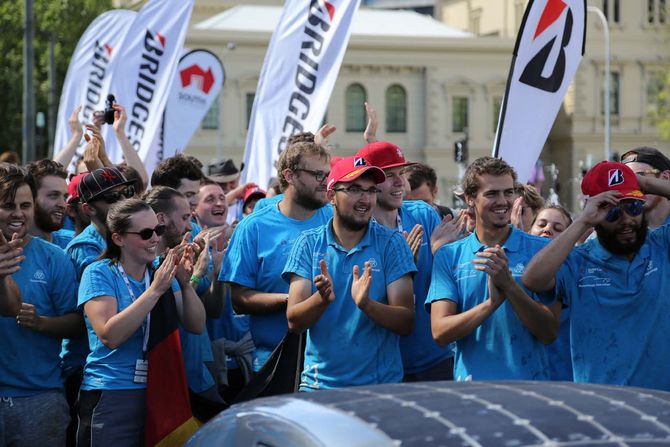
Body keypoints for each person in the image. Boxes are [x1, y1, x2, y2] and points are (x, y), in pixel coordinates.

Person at [522, 160, 670, 390]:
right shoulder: (578, 261)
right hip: (603, 406)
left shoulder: (661, 245)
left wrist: (643, 183)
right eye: (612, 213)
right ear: (595, 215)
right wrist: (582, 222)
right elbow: (533, 279)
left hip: (660, 405)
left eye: (633, 207)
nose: (627, 220)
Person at [77, 199, 205, 445]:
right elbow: (109, 335)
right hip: (111, 391)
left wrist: (186, 284)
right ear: (118, 239)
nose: (155, 239)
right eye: (146, 234)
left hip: (158, 388)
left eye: (158, 230)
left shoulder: (158, 272)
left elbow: (197, 325)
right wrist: (155, 290)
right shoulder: (99, 272)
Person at [283, 156, 415, 390]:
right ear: (331, 195)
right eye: (354, 189)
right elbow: (294, 322)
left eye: (371, 190)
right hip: (319, 387)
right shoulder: (308, 243)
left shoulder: (392, 243)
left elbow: (406, 323)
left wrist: (366, 304)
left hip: (379, 389)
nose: (365, 199)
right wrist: (320, 299)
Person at [427, 156, 560, 381]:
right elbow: (440, 332)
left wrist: (509, 286)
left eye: (508, 192)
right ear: (470, 198)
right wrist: (491, 304)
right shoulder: (449, 255)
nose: (503, 201)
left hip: (530, 389)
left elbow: (548, 332)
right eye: (491, 194)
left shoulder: (543, 251)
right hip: (473, 394)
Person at [220, 137, 333, 371]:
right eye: (317, 175)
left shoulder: (337, 220)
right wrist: (296, 302)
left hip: (330, 360)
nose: (325, 182)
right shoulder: (252, 227)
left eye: (327, 174)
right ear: (290, 175)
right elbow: (239, 300)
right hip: (275, 360)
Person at [354, 141, 462, 381]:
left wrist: (439, 254)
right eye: (389, 175)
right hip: (380, 366)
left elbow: (448, 283)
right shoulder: (357, 228)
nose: (400, 182)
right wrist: (402, 267)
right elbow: (359, 300)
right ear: (369, 182)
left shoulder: (423, 214)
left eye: (401, 173)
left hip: (434, 357)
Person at [0, 163, 79, 446]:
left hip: (38, 397)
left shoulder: (54, 258)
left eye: (26, 205)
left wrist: (41, 323)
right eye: (8, 205)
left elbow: (77, 323)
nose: (19, 214)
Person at [529, 204, 574, 381]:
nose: (547, 230)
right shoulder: (508, 267)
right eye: (541, 224)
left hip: (562, 376)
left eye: (558, 228)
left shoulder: (574, 271)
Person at [25, 159, 74, 249]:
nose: (63, 204)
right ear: (30, 197)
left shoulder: (74, 244)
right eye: (54, 195)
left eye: (65, 197)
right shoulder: (9, 250)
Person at [620, 146, 670, 228]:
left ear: (666, 177)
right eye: (627, 180)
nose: (634, 186)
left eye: (640, 176)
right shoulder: (622, 233)